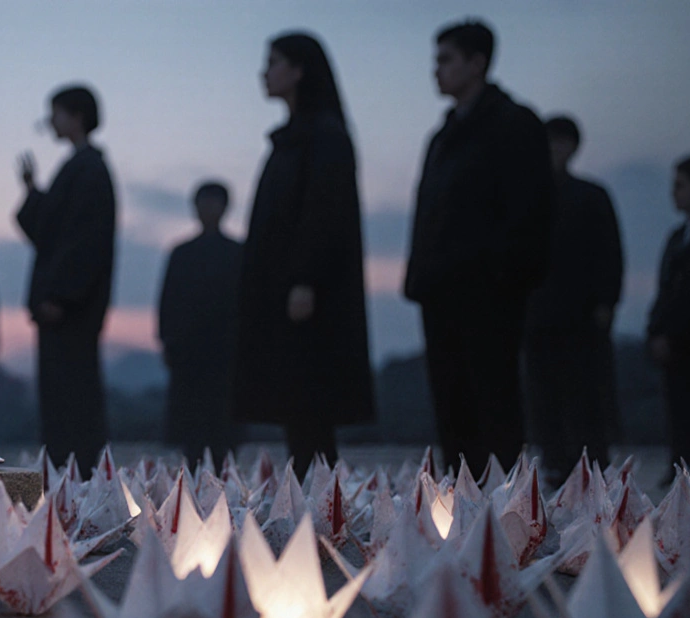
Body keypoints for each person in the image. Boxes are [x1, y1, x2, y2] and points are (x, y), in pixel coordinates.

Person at [403, 19, 552, 476]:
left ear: (477, 63)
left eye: (446, 60)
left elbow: (531, 210)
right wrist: (421, 278)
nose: (436, 71)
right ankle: (463, 514)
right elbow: (428, 213)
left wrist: (503, 277)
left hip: (489, 294)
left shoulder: (513, 124)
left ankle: (504, 519)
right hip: (440, 292)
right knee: (452, 406)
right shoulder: (443, 136)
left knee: (494, 402)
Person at [233, 32, 374, 479]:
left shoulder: (324, 136)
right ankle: (309, 497)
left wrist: (305, 279)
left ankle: (320, 501)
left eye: (273, 61)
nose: (264, 72)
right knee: (297, 408)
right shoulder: (292, 138)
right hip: (283, 289)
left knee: (311, 404)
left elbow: (324, 212)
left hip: (307, 295)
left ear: (298, 71)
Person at [15, 85, 117, 474]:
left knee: (73, 400)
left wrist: (61, 296)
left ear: (75, 115)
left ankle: (79, 479)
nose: (51, 122)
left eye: (55, 112)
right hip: (64, 309)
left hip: (69, 310)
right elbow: (53, 233)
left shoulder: (88, 168)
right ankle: (70, 477)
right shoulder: (80, 166)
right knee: (63, 399)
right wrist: (31, 190)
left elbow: (84, 242)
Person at [522, 116, 623, 482]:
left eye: (559, 143)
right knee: (543, 399)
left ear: (572, 147)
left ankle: (592, 471)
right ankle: (552, 466)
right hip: (538, 317)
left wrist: (605, 304)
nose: (553, 151)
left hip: (581, 318)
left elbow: (610, 254)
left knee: (586, 399)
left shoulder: (591, 196)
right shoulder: (529, 196)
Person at [158, 181, 243, 466]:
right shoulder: (181, 254)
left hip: (227, 352)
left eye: (213, 203)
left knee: (225, 432)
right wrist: (168, 340)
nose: (207, 210)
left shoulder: (238, 253)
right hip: (189, 353)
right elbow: (168, 301)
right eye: (202, 203)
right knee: (191, 436)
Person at [648, 155, 690, 482]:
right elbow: (666, 291)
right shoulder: (678, 237)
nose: (674, 193)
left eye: (681, 185)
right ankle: (681, 467)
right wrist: (656, 331)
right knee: (679, 411)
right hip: (675, 347)